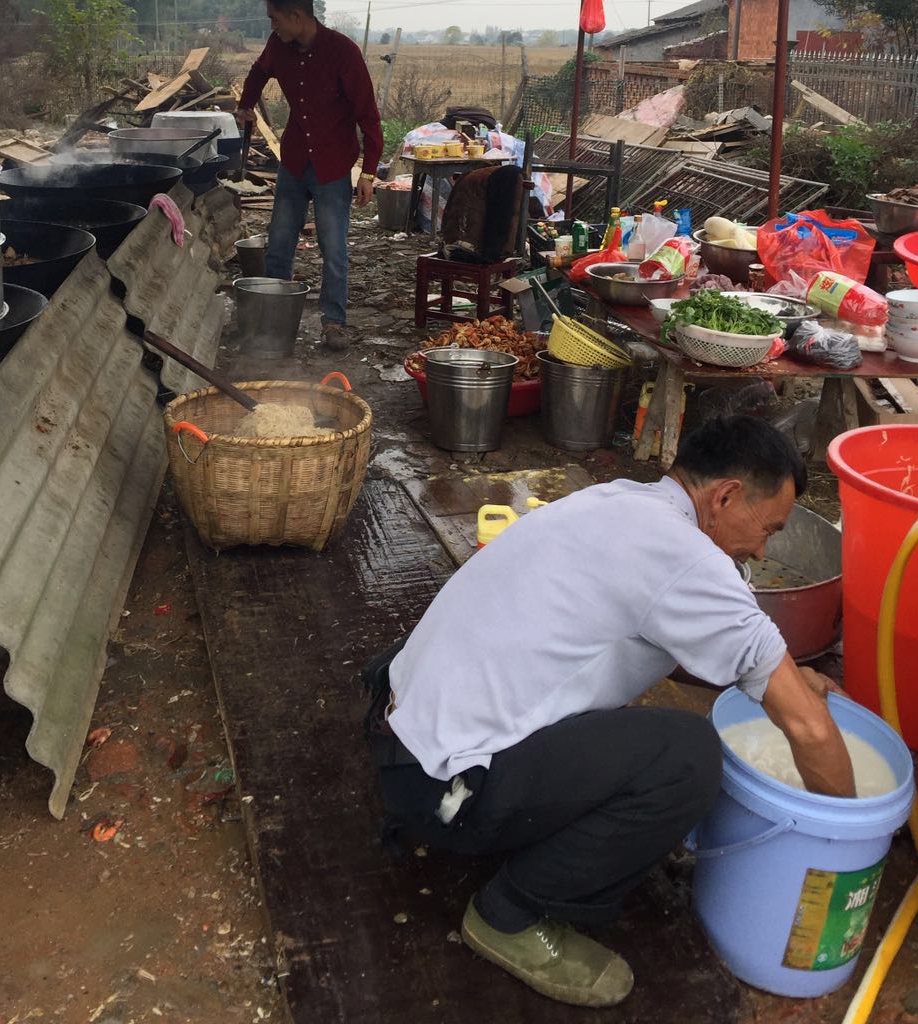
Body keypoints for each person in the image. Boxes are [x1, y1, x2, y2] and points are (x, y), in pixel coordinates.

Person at [363, 416, 854, 1008]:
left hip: (398, 728)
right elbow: (809, 727)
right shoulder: (691, 561)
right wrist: (848, 840)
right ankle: (509, 916)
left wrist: (781, 679)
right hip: (443, 789)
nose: (763, 548)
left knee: (641, 729)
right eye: (767, 528)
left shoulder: (619, 500)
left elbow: (660, 637)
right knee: (687, 756)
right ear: (723, 495)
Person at [235, 0, 382, 352]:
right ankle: (274, 318)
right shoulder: (278, 46)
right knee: (279, 244)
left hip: (333, 166)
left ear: (296, 16)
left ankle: (333, 322)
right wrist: (245, 105)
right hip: (295, 161)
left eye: (275, 19)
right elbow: (257, 72)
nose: (272, 26)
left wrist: (368, 172)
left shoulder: (343, 53)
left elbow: (368, 116)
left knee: (333, 248)